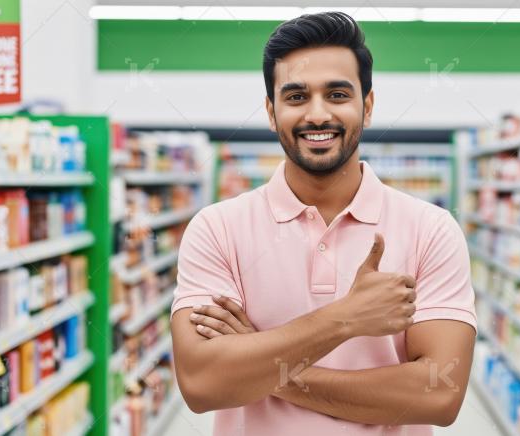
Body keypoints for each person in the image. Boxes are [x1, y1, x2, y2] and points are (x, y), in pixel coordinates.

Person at [170, 11, 477, 436]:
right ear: (272, 112)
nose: (317, 115)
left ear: (366, 107)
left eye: (337, 95)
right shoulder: (217, 228)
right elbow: (203, 385)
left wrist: (262, 365)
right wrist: (346, 318)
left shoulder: (431, 229)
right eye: (296, 97)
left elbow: (439, 396)